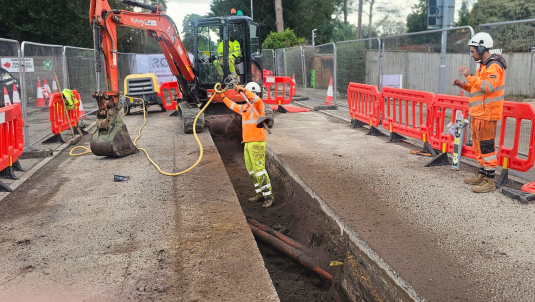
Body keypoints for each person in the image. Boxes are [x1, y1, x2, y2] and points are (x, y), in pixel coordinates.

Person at [453, 32, 507, 193]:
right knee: (478, 146)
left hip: (487, 114)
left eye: (473, 51)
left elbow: (487, 87)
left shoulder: (494, 66)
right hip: (478, 114)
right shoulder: (483, 66)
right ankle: (482, 175)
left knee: (487, 147)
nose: (471, 54)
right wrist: (463, 84)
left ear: (482, 48)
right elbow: (475, 87)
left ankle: (490, 181)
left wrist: (468, 75)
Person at [218, 82, 274, 208]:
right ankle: (259, 194)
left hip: (257, 142)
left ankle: (268, 197)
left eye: (249, 94)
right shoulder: (245, 108)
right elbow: (232, 105)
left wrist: (242, 89)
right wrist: (222, 96)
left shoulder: (258, 105)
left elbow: (255, 98)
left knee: (259, 171)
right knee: (251, 170)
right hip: (248, 143)